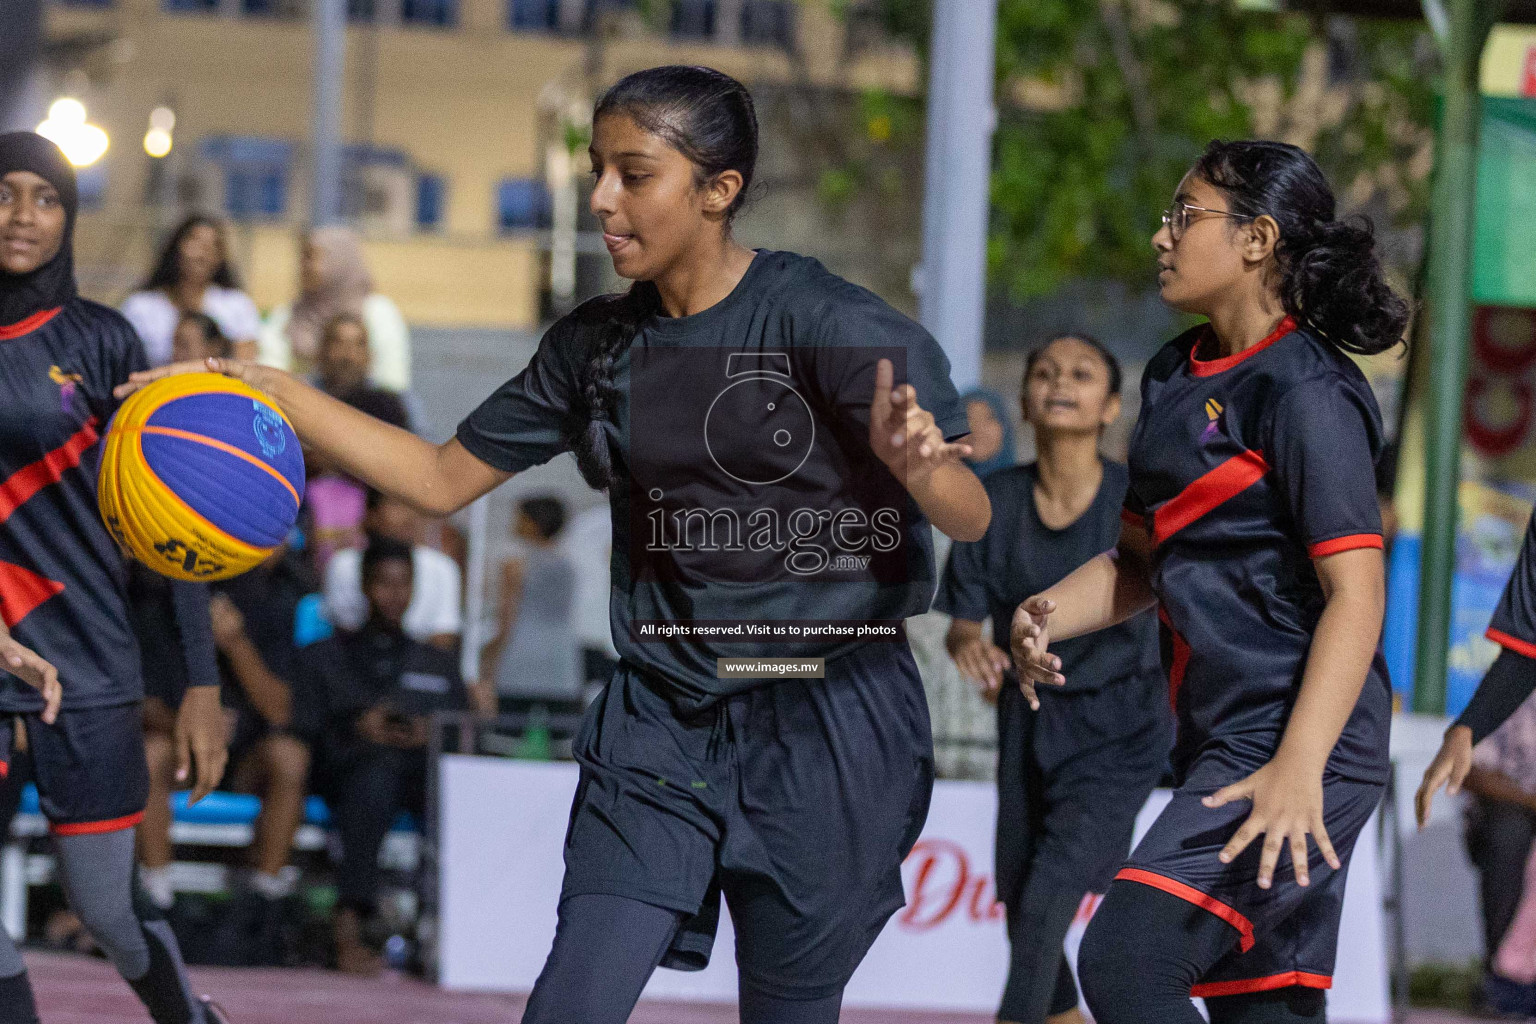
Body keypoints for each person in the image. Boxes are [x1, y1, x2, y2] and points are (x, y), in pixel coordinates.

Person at [122, 65, 989, 1024]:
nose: (601, 200)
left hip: (829, 721)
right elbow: (437, 477)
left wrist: (921, 469)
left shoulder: (830, 323)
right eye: (595, 171)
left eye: (633, 175)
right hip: (665, 714)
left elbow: (968, 515)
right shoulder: (596, 346)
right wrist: (271, 386)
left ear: (719, 190)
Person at [1011, 140, 1408, 1024]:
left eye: (1183, 215)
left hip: (1302, 744)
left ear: (1258, 238)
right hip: (1223, 738)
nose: (1161, 235)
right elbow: (1138, 565)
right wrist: (1041, 614)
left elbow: (1358, 594)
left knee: (1123, 959)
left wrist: (1298, 766)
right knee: (1260, 1013)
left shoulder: (1306, 390)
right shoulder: (1170, 375)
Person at [0, 131, 230, 1024]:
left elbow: (173, 524)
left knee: (108, 913)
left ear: (69, 215)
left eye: (45, 197)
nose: (22, 214)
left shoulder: (103, 341)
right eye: (6, 191)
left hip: (90, 668)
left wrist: (201, 681)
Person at [937, 335, 1169, 1024]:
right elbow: (962, 621)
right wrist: (968, 648)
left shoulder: (1137, 500)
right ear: (1024, 403)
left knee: (1045, 901)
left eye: (1080, 373)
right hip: (1027, 720)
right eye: (1043, 372)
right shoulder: (994, 501)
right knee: (1018, 898)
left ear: (1112, 406)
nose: (1059, 382)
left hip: (1121, 726)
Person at [295, 538, 466, 974]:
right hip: (352, 774)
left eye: (403, 584)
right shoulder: (327, 656)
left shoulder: (437, 662)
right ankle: (349, 927)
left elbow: (463, 731)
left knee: (457, 795)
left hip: (419, 776)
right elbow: (308, 727)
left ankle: (453, 927)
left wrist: (431, 733)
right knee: (373, 782)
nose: (394, 595)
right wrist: (358, 725)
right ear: (365, 586)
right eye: (384, 583)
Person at [204, 540, 329, 965]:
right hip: (182, 746)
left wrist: (235, 643)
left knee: (289, 757)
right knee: (152, 750)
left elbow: (280, 709)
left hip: (245, 758)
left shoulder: (290, 605)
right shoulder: (176, 587)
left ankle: (264, 906)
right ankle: (152, 897)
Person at [257, 225, 411, 393]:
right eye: (303, 257)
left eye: (312, 257)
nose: (304, 266)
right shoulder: (287, 315)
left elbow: (392, 381)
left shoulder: (378, 313)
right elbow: (269, 374)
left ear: (340, 260)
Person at [478, 495, 580, 713]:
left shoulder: (515, 564)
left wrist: (488, 659)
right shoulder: (569, 565)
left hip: (519, 660)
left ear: (534, 523)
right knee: (561, 741)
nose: (514, 523)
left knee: (503, 741)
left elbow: (507, 618)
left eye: (520, 518)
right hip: (561, 662)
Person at [323, 488, 461, 650]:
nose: (408, 515)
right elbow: (342, 637)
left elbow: (443, 641)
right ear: (371, 514)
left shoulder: (442, 568)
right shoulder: (343, 565)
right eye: (397, 505)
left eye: (414, 505)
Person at [121, 215, 260, 365]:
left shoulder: (237, 304)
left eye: (214, 246)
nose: (203, 253)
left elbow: (246, 364)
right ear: (176, 246)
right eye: (196, 242)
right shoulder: (139, 307)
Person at [312, 312, 412, 430]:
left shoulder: (388, 407)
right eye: (339, 344)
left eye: (358, 345)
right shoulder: (304, 399)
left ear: (369, 356)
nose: (349, 356)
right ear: (322, 351)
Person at [957, 387, 1017, 479]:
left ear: (1004, 428)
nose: (976, 430)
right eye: (967, 419)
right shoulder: (934, 486)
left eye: (988, 418)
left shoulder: (1025, 488)